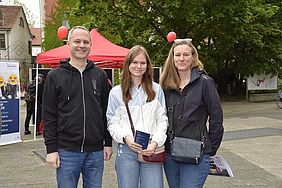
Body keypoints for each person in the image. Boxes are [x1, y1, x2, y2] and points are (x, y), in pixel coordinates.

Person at [42, 26, 112, 188]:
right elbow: (49, 116)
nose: (82, 45)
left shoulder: (100, 75)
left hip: (95, 151)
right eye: (77, 41)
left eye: (86, 42)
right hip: (66, 151)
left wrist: (107, 142)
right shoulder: (55, 76)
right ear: (68, 44)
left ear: (91, 45)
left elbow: (106, 112)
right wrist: (51, 149)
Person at [159, 39, 224, 188]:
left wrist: (209, 148)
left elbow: (216, 118)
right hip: (170, 154)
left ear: (193, 57)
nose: (181, 59)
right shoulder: (166, 85)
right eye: (177, 55)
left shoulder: (205, 82)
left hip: (196, 155)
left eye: (186, 54)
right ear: (172, 58)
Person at [106, 45, 168, 188]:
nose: (138, 66)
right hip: (127, 150)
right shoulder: (116, 92)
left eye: (142, 63)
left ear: (147, 65)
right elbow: (112, 123)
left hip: (151, 149)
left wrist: (155, 143)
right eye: (134, 62)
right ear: (128, 64)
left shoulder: (156, 89)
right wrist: (126, 138)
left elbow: (163, 121)